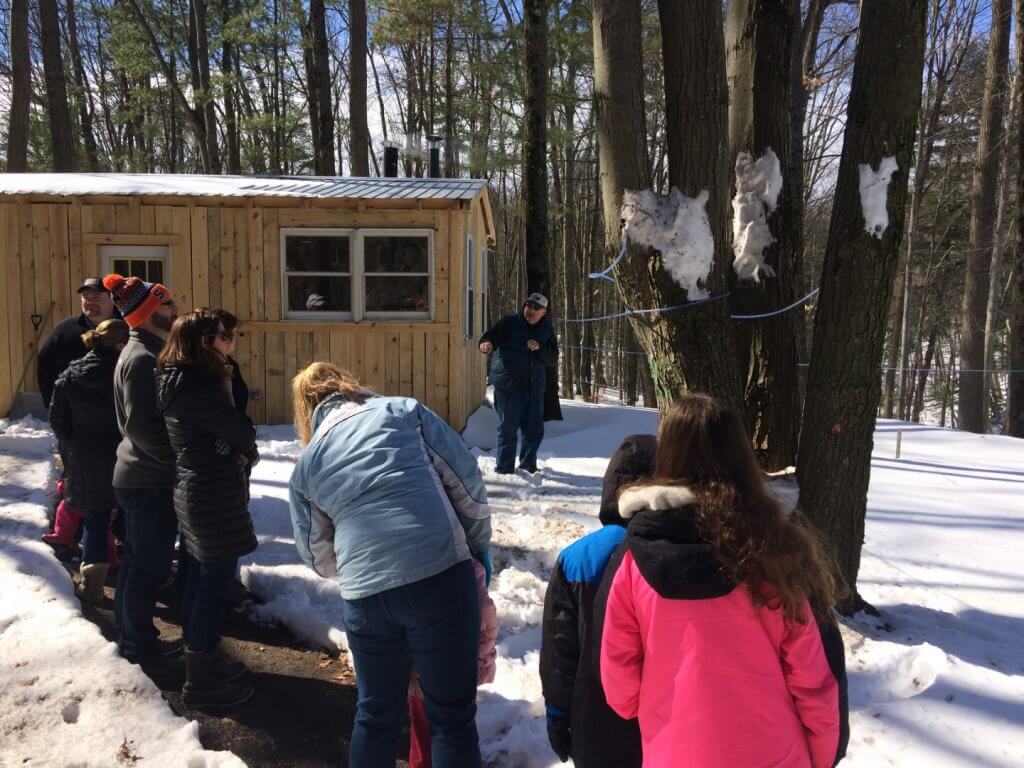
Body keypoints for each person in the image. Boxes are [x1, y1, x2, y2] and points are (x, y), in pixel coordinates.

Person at [599, 395, 849, 768]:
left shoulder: (634, 562)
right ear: (740, 456)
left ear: (668, 454)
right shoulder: (771, 552)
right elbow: (813, 681)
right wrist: (822, 757)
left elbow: (619, 683)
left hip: (673, 752)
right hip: (773, 753)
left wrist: (663, 710)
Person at [288, 362, 491, 768]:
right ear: (348, 385)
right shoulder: (404, 412)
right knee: (451, 716)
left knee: (375, 714)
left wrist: (359, 568)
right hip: (439, 573)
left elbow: (316, 555)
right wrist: (477, 545)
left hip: (366, 597)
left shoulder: (307, 465)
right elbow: (466, 483)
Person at [156, 309, 258, 709]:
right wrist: (234, 448)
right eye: (224, 336)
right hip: (210, 492)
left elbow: (220, 437)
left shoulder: (179, 377)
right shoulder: (198, 384)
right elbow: (239, 432)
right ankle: (200, 684)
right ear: (202, 343)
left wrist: (228, 446)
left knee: (200, 577)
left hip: (197, 486)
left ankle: (202, 657)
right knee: (212, 586)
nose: (231, 342)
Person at [540, 434, 654, 767]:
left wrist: (557, 711)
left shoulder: (577, 558)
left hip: (593, 714)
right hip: (659, 716)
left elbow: (561, 649)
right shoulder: (673, 553)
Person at [105, 272, 182, 664]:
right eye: (167, 304)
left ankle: (132, 638)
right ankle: (138, 645)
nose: (175, 309)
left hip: (143, 476)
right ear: (150, 311)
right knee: (147, 567)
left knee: (139, 563)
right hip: (146, 480)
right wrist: (178, 461)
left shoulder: (148, 350)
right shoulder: (141, 359)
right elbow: (141, 427)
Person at [46, 319, 130, 601]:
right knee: (132, 514)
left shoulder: (71, 374)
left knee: (95, 516)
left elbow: (57, 419)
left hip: (85, 455)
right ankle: (140, 574)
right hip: (124, 453)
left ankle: (92, 582)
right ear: (120, 344)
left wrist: (74, 444)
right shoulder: (125, 373)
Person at [406, 558, 498, 768]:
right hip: (458, 669)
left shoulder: (405, 564)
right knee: (455, 734)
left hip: (419, 670)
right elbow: (486, 620)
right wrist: (481, 658)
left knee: (421, 735)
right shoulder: (467, 564)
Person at [478, 292, 559, 474]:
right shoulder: (509, 323)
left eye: (536, 309)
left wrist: (540, 348)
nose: (531, 311)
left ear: (543, 312)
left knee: (534, 431)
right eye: (529, 306)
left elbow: (552, 358)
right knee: (508, 429)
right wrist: (486, 344)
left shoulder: (546, 330)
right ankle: (504, 469)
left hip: (534, 388)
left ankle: (527, 467)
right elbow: (490, 337)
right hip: (508, 386)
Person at [38, 277, 119, 409]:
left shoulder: (125, 329)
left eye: (97, 298)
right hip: (78, 417)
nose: (90, 302)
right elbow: (45, 366)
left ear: (112, 299)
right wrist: (53, 404)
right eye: (85, 297)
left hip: (117, 414)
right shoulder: (65, 330)